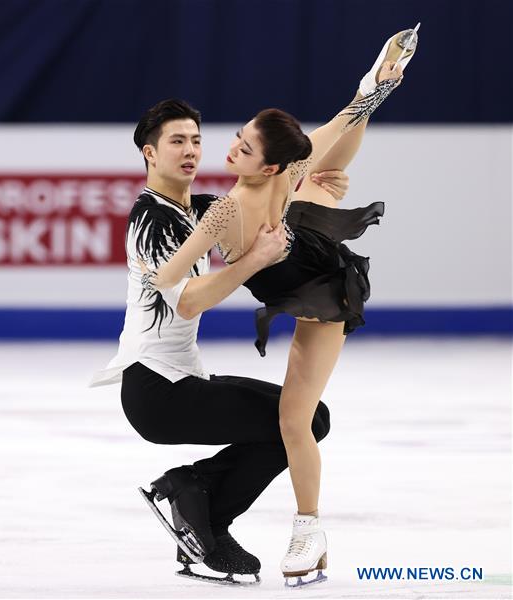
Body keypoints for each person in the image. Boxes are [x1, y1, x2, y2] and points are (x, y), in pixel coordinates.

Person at [141, 25, 419, 585]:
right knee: (321, 177)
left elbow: (344, 123)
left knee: (297, 420)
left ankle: (308, 529)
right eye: (238, 137)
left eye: (243, 146)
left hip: (325, 284)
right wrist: (153, 270)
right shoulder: (223, 211)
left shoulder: (284, 172)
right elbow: (170, 279)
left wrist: (376, 89)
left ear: (268, 164)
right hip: (293, 240)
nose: (228, 149)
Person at [89, 98, 350, 583]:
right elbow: (187, 301)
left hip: (180, 381)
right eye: (176, 142)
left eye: (195, 140)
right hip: (156, 390)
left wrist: (312, 185)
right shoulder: (153, 219)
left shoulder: (198, 209)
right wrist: (252, 261)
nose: (190, 151)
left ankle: (197, 492)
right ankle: (204, 511)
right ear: (150, 153)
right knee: (298, 424)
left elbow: (271, 185)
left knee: (310, 419)